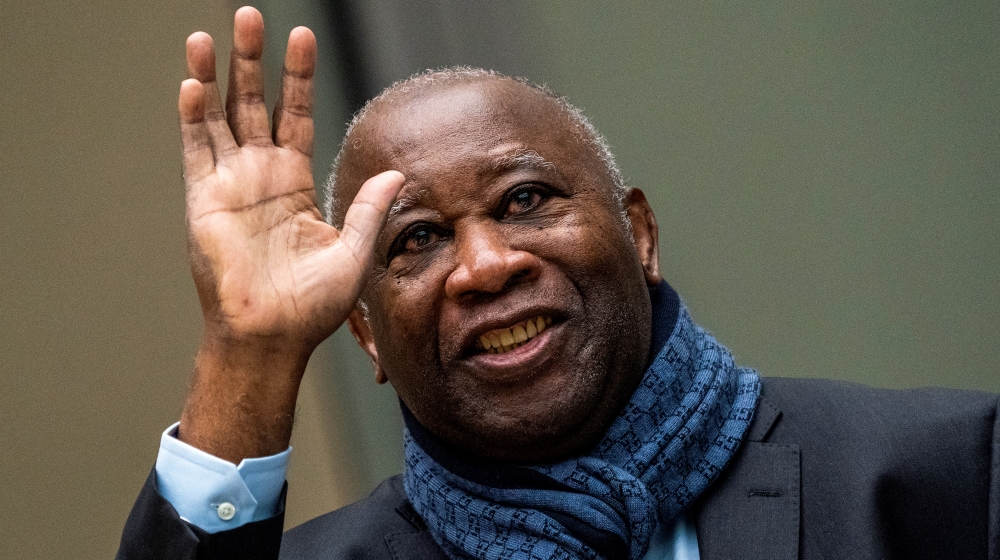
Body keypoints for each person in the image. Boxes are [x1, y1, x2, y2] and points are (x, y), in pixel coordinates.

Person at [118, 7, 999, 560]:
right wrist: (250, 351)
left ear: (641, 235)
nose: (487, 266)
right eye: (418, 239)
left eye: (525, 200)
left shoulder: (944, 475)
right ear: (367, 338)